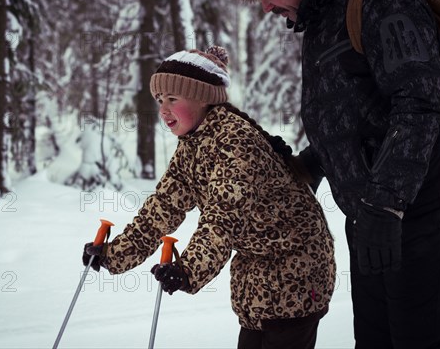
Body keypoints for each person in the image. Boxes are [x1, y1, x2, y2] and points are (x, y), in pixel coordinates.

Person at [206, 0, 440, 348]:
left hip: (426, 210)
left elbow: (420, 105)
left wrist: (386, 205)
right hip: (371, 218)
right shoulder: (322, 15)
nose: (264, 5)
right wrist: (308, 166)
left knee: (424, 339)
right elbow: (355, 115)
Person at [83, 46, 336, 348]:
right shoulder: (194, 143)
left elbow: (221, 220)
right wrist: (113, 255)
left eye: (173, 99)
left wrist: (187, 270)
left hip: (297, 270)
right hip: (257, 279)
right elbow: (161, 208)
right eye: (160, 100)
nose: (163, 109)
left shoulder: (235, 143)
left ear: (203, 97)